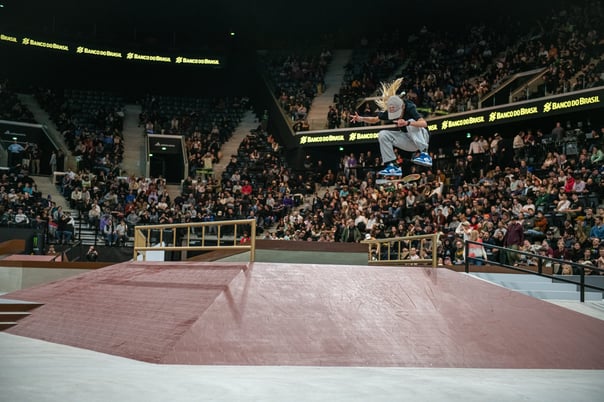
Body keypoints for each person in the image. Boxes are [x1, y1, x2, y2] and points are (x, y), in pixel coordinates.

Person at [350, 78, 431, 176]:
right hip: (409, 142)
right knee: (383, 134)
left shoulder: (409, 107)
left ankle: (425, 155)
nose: (397, 116)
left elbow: (424, 123)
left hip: (423, 138)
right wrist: (361, 118)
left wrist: (407, 123)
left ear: (402, 107)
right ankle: (392, 166)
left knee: (411, 122)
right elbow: (375, 119)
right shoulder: (390, 110)